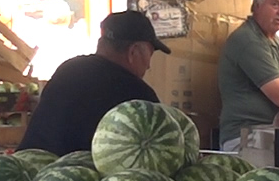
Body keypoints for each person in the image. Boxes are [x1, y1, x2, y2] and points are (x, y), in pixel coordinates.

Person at [18, 11, 169, 153]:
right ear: (133, 52)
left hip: (29, 170)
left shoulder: (69, 69)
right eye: (150, 54)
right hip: (78, 177)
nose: (149, 65)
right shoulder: (138, 95)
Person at [218, 0, 279, 151]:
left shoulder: (273, 40)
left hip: (266, 132)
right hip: (245, 137)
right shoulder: (248, 40)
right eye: (275, 4)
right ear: (257, 5)